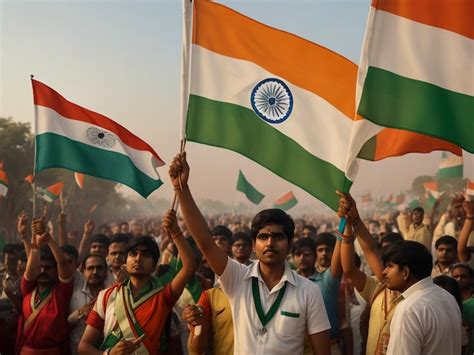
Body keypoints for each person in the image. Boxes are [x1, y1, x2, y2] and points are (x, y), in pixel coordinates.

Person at [169, 152, 331, 354]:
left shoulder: (309, 291)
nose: (270, 242)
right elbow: (206, 243)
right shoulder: (237, 278)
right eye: (263, 237)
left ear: (289, 246)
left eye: (278, 237)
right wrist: (181, 188)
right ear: (254, 245)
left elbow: (322, 351)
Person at [78, 210, 197, 354]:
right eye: (133, 254)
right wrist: (109, 353)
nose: (138, 258)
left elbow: (189, 266)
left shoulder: (163, 297)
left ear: (154, 265)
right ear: (126, 261)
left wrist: (176, 232)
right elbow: (84, 347)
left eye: (145, 255)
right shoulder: (106, 296)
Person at [337, 191, 402, 355]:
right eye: (385, 264)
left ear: (406, 271)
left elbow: (372, 250)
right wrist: (350, 223)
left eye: (391, 266)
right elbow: (350, 269)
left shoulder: (417, 298)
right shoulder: (378, 287)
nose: (384, 269)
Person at [383, 240, 461, 355]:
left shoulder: (409, 308)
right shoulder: (448, 297)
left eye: (390, 266)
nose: (384, 272)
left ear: (405, 272)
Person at [16, 218, 75, 354]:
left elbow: (63, 263)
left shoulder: (61, 293)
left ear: (55, 271)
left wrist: (47, 237)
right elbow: (30, 271)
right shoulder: (28, 289)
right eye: (40, 267)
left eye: (48, 268)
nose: (43, 271)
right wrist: (35, 246)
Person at [292, 235, 346, 354]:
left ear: (315, 256)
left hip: (328, 346)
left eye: (307, 254)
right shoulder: (287, 282)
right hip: (295, 348)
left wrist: (343, 230)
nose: (302, 258)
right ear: (292, 257)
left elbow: (339, 259)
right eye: (298, 254)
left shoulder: (327, 280)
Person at [68, 253, 107, 354]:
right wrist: (81, 312)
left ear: (106, 271)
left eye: (99, 268)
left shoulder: (113, 293)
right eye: (90, 268)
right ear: (83, 271)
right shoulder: (74, 287)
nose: (95, 272)